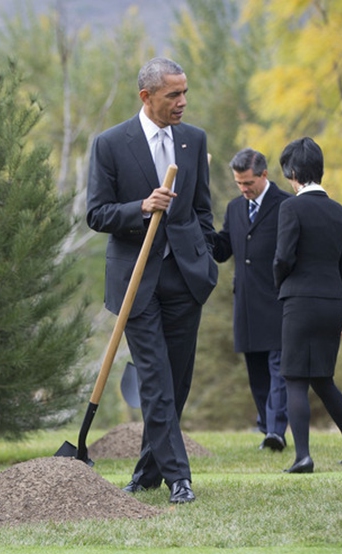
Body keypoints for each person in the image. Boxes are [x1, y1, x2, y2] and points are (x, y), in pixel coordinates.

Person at [87, 57, 217, 503]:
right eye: (173, 95)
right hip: (135, 281)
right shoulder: (110, 144)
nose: (183, 102)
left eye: (184, 93)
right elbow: (97, 213)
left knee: (176, 383)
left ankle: (146, 471)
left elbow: (202, 209)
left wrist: (206, 257)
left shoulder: (194, 140)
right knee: (156, 379)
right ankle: (180, 478)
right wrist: (140, 207)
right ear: (147, 97)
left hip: (185, 278)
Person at [273, 137, 342, 474]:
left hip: (300, 301)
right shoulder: (339, 212)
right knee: (323, 378)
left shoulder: (291, 207)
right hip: (333, 302)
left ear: (293, 172)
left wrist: (280, 283)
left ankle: (303, 455)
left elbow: (284, 256)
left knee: (295, 379)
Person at [212, 148, 289, 451]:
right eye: (238, 184)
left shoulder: (286, 205)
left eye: (248, 183)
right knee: (256, 370)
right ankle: (267, 426)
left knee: (278, 368)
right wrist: (202, 233)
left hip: (277, 301)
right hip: (245, 302)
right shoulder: (234, 208)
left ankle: (277, 431)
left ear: (264, 175)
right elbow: (223, 251)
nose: (243, 189)